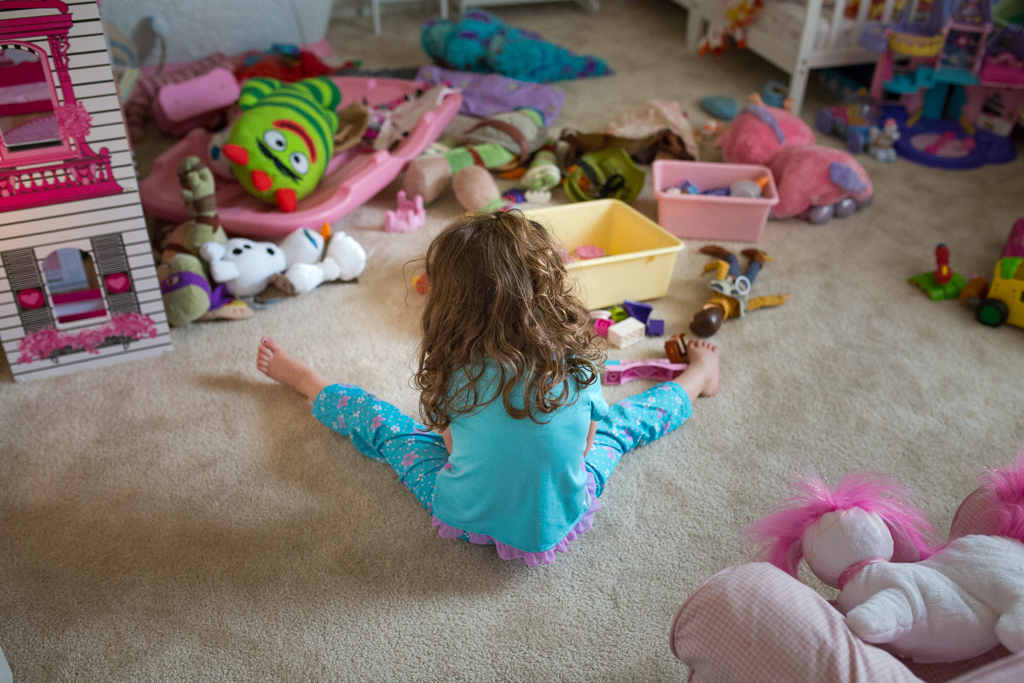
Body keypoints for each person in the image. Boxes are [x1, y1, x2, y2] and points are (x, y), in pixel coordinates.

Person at [256, 210, 719, 566]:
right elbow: (585, 447)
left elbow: (453, 449)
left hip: (462, 514)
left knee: (391, 431)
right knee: (621, 428)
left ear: (449, 307)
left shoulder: (458, 375)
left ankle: (307, 382)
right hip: (563, 514)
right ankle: (696, 379)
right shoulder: (579, 366)